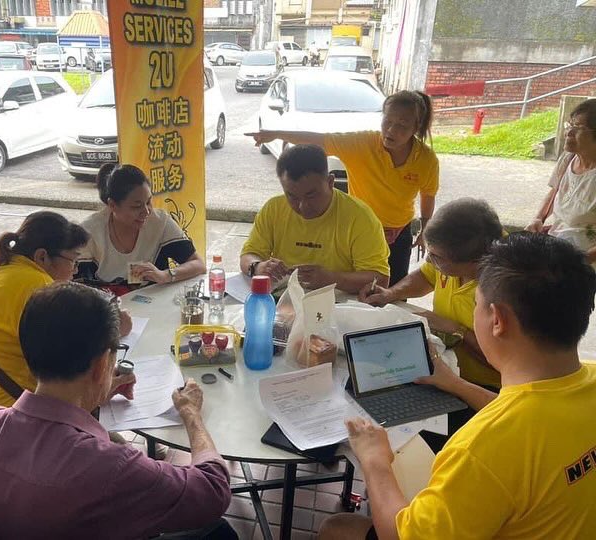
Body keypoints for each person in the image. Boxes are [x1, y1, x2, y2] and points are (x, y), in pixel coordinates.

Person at [319, 233, 596, 539]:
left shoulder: (480, 450)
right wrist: (456, 384)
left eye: (477, 304)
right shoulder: (585, 379)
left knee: (337, 528)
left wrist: (375, 460)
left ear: (497, 320)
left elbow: (398, 536)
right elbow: (536, 417)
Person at [0, 282, 235, 540]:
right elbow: (213, 491)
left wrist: (94, 394)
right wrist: (191, 414)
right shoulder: (109, 467)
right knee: (219, 532)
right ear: (102, 365)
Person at [0, 211, 134, 460]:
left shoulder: (3, 274)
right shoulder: (37, 288)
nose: (74, 271)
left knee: (109, 442)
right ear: (42, 257)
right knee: (116, 452)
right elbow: (71, 375)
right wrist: (106, 380)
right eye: (73, 261)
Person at [247, 90, 438, 285]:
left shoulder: (426, 160)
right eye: (387, 121)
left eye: (402, 126)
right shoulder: (362, 144)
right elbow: (320, 140)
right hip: (361, 229)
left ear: (416, 127)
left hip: (397, 232)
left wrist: (424, 230)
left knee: (394, 289)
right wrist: (276, 134)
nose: (391, 130)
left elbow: (428, 195)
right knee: (361, 284)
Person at [360, 198, 503, 389]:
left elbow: (502, 362)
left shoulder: (504, 289)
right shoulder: (451, 255)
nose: (428, 260)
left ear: (474, 262)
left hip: (483, 388)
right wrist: (390, 293)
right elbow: (426, 276)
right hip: (445, 370)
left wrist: (456, 330)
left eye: (436, 257)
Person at [240, 144, 390, 294]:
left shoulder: (359, 217)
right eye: (292, 196)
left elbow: (381, 279)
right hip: (284, 297)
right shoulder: (274, 208)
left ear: (330, 182)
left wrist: (332, 279)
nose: (302, 206)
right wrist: (258, 267)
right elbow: (249, 254)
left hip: (340, 301)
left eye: (311, 195)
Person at [79, 163, 206, 288]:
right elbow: (76, 287)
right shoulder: (89, 233)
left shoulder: (160, 222)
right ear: (112, 205)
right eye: (136, 206)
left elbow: (198, 264)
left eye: (149, 202)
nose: (146, 211)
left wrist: (165, 275)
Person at [526, 98, 596, 266]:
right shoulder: (568, 158)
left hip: (585, 263)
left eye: (578, 128)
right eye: (569, 125)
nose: (569, 133)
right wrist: (538, 218)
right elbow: (555, 191)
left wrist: (583, 260)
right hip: (558, 248)